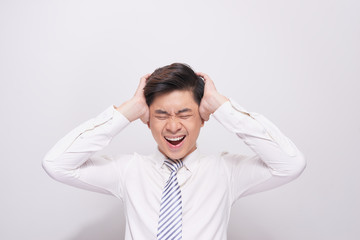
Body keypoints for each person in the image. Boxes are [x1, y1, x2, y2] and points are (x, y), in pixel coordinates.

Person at [42, 63, 306, 240]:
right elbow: (56, 164)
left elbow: (290, 164)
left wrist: (221, 107)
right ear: (147, 119)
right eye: (161, 115)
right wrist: (127, 111)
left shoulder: (227, 172)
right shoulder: (128, 171)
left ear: (203, 117)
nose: (172, 126)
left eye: (184, 114)